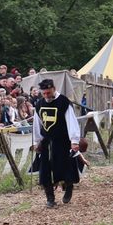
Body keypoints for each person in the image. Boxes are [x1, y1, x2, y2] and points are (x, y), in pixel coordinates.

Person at [31, 78, 79, 207]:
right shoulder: (40, 104)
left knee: (65, 166)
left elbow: (71, 121)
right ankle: (50, 198)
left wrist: (74, 140)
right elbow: (37, 123)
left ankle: (68, 187)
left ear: (54, 89)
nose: (46, 96)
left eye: (48, 92)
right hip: (46, 141)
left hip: (62, 140)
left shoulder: (63, 102)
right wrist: (37, 141)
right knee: (45, 169)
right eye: (44, 93)